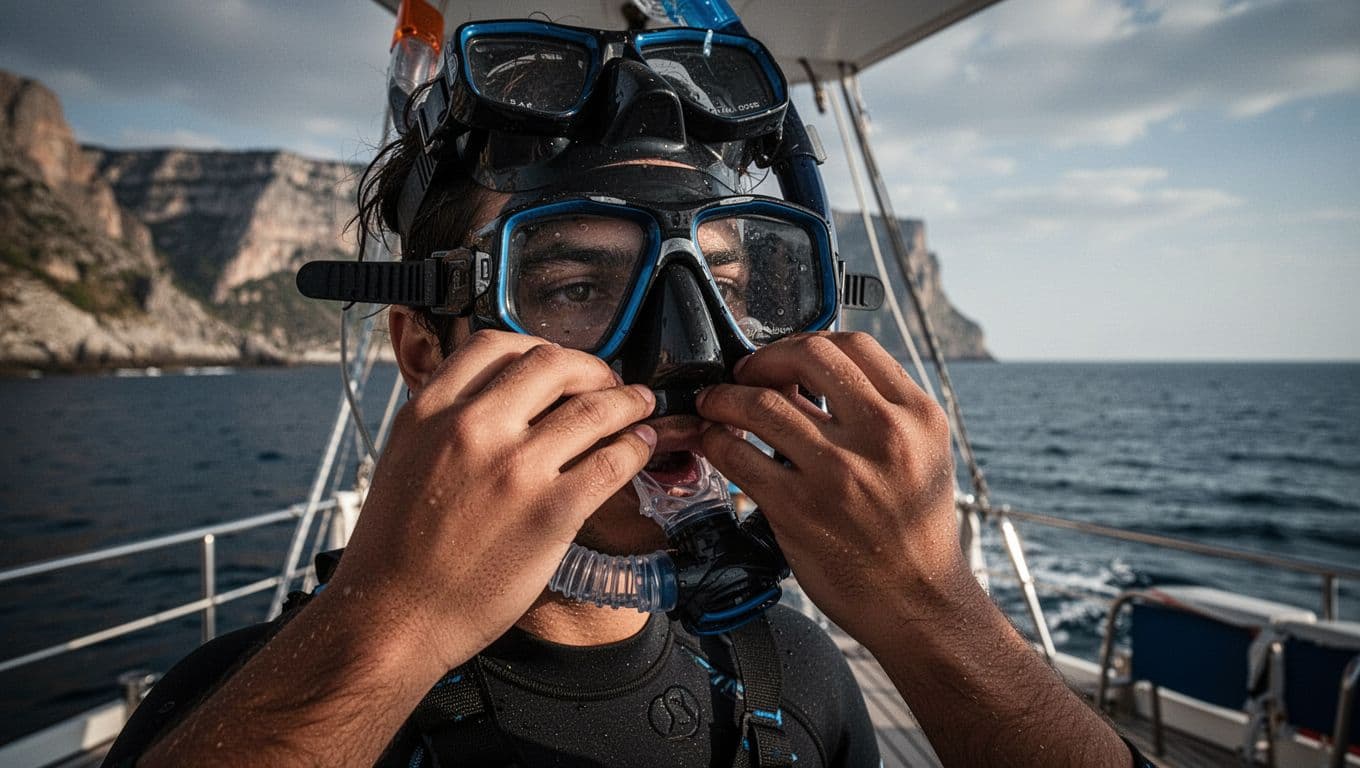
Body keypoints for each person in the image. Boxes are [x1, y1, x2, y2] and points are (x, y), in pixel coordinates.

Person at [104, 18, 1142, 768]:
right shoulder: (236, 712)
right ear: (424, 352)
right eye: (571, 287)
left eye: (732, 288)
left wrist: (936, 614)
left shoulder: (795, 675)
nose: (683, 354)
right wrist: (388, 629)